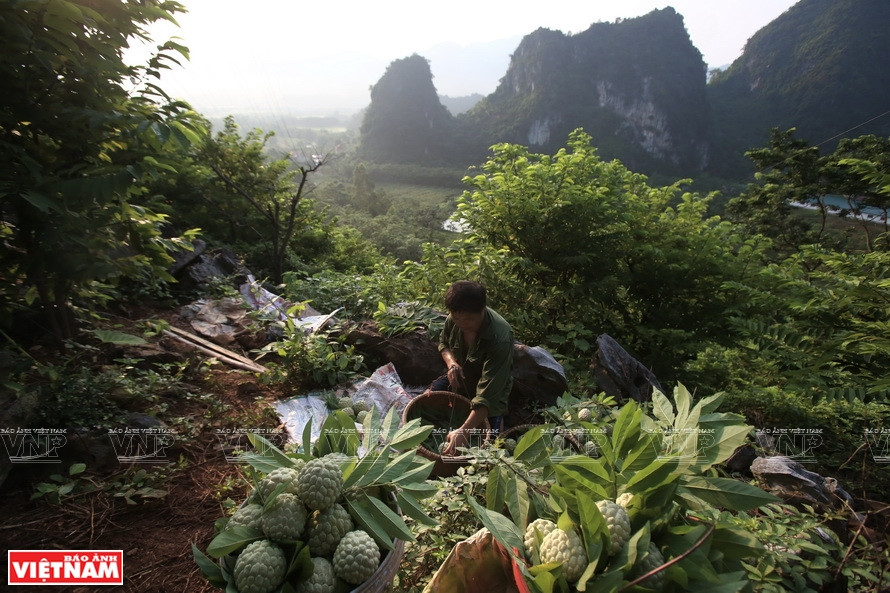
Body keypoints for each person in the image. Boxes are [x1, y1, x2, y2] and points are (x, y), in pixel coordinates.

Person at [427, 281, 514, 456]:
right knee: (428, 399)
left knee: (490, 444)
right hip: (462, 377)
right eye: (456, 318)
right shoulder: (454, 319)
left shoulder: (500, 337)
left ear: (482, 310)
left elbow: (487, 396)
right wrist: (452, 364)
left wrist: (463, 432)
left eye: (468, 320)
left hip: (491, 388)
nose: (462, 324)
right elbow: (444, 344)